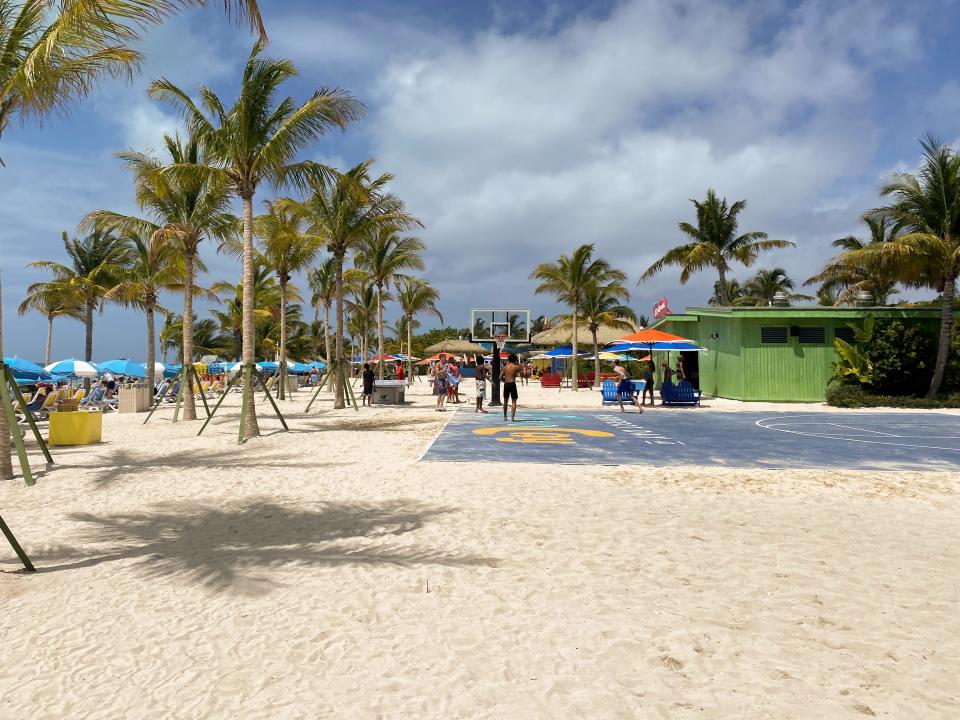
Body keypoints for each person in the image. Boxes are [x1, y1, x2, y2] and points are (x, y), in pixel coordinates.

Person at [500, 353, 521, 421]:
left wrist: (504, 380)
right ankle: (512, 417)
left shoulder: (505, 367)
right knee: (514, 402)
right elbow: (523, 374)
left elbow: (499, 377)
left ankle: (505, 416)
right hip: (512, 383)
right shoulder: (516, 367)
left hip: (506, 384)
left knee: (505, 401)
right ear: (515, 360)